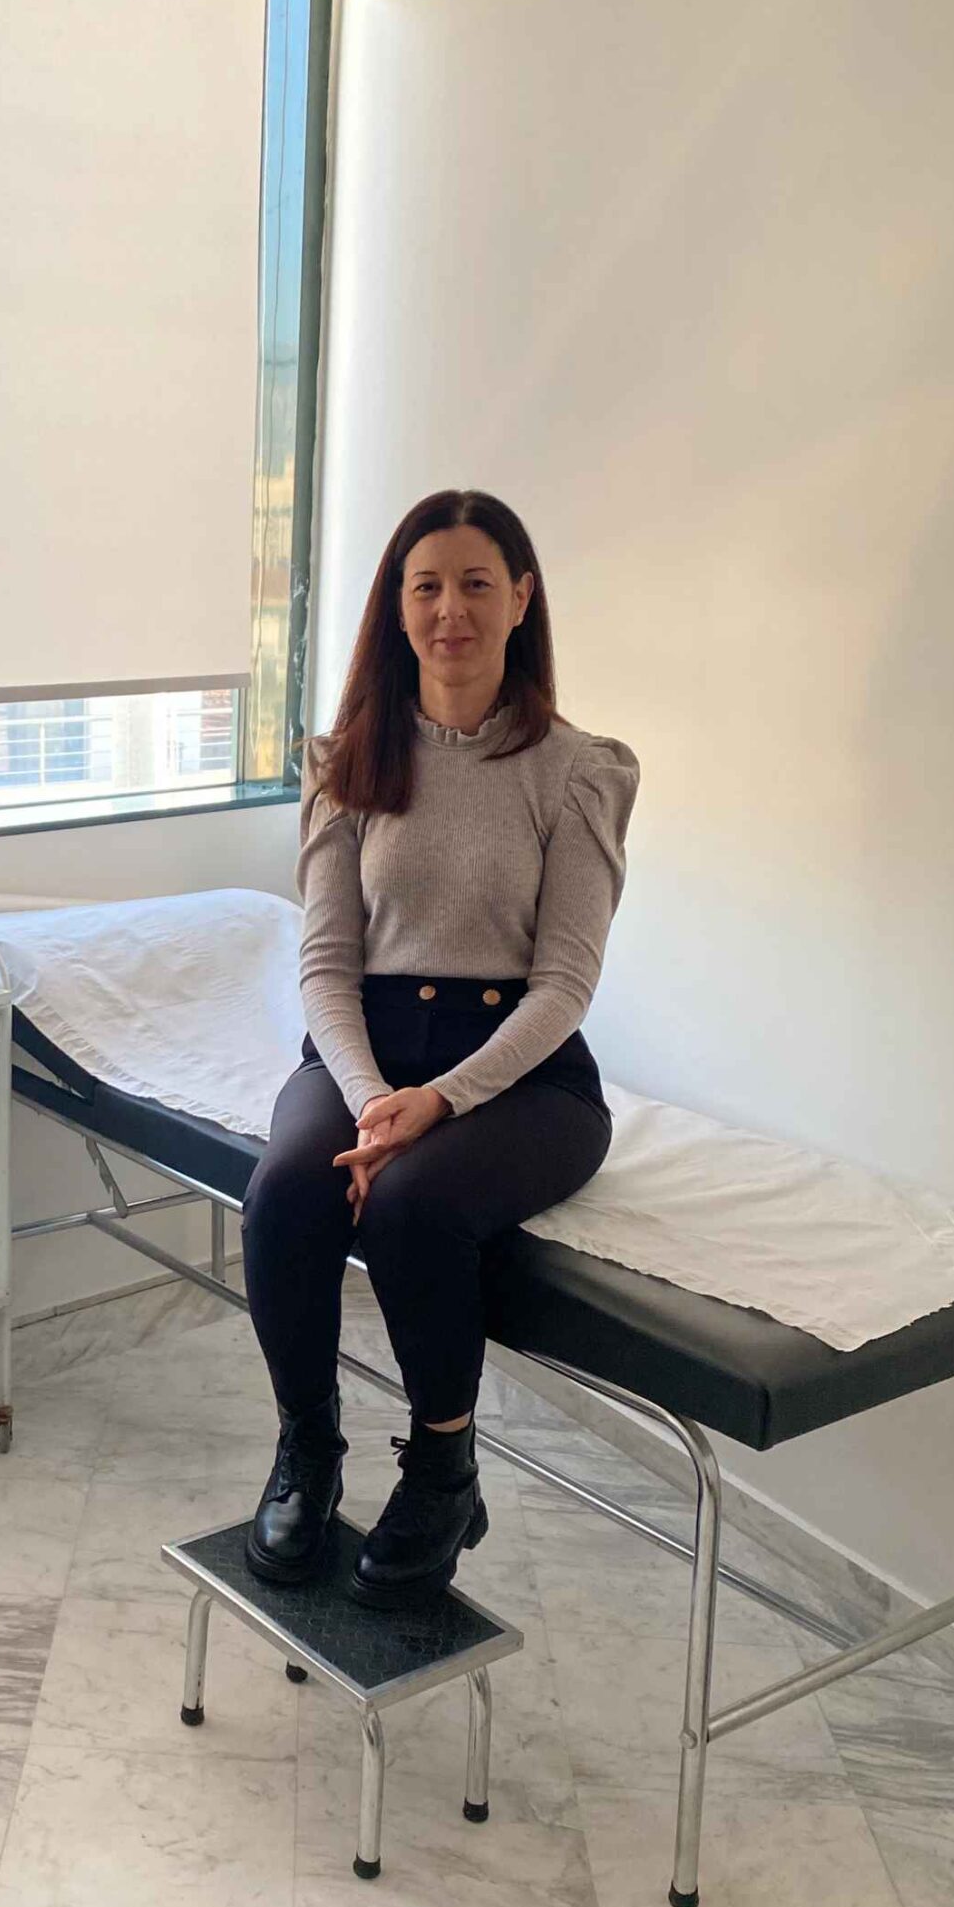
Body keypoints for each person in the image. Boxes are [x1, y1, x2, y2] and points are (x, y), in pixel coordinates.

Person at [240, 488, 638, 1603]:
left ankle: (444, 1469)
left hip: (522, 1076)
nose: (450, 609)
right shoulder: (348, 761)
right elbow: (325, 965)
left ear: (521, 598)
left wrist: (441, 1102)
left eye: (475, 584)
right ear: (398, 606)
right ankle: (307, 1448)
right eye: (427, 587)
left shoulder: (580, 770)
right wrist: (376, 1097)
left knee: (412, 1206)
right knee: (286, 1191)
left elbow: (564, 985)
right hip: (362, 1049)